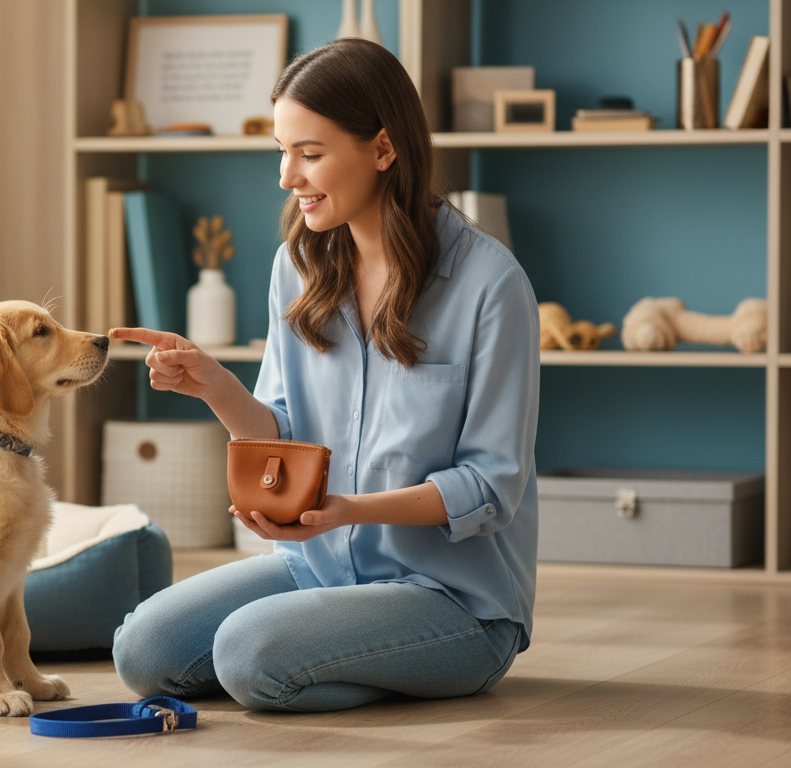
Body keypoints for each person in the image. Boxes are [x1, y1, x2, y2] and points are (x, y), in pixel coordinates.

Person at [109, 38, 540, 713]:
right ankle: (328, 656)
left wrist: (351, 510)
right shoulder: (298, 265)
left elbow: (491, 487)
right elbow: (285, 437)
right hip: (320, 567)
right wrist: (213, 384)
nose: (288, 177)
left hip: (455, 601)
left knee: (249, 653)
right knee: (144, 649)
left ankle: (340, 659)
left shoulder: (491, 284)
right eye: (282, 151)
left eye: (309, 154)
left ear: (383, 149)